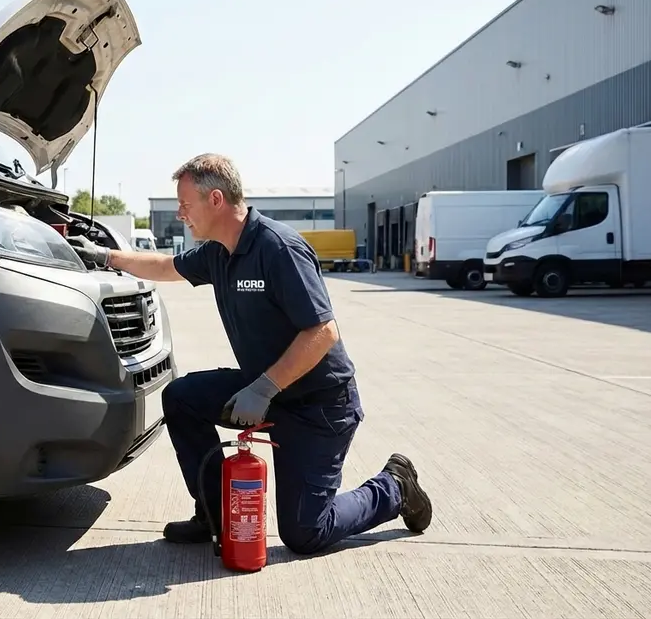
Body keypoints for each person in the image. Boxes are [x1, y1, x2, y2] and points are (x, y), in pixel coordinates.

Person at [67, 153, 432, 555]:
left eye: (186, 205)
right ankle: (214, 514)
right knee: (182, 398)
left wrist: (264, 388)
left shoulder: (278, 249)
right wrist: (106, 257)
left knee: (306, 532)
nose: (181, 214)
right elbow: (167, 266)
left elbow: (323, 332)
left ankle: (395, 486)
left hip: (318, 405)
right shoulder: (218, 252)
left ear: (216, 200)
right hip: (267, 388)